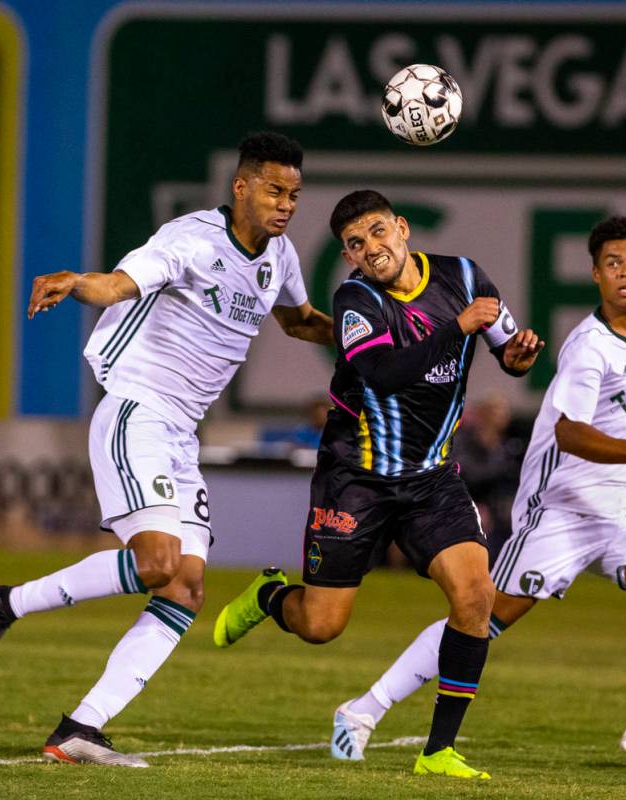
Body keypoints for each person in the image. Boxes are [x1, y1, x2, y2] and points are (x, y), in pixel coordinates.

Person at [0, 132, 333, 767]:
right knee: (160, 562)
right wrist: (76, 281)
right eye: (274, 190)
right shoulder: (190, 240)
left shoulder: (281, 256)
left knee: (186, 588)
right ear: (240, 186)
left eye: (294, 195)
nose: (286, 205)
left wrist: (377, 336)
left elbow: (298, 320)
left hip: (181, 434)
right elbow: (116, 286)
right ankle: (7, 601)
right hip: (138, 412)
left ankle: (80, 727)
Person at [330, 215, 626, 763]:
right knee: (480, 621)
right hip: (561, 511)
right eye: (612, 264)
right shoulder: (589, 346)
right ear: (595, 275)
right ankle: (364, 708)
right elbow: (570, 430)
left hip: (621, 508)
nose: (625, 273)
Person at [212, 190, 544, 780]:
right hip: (355, 480)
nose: (371, 249)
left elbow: (508, 356)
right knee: (321, 626)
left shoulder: (465, 276)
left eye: (377, 232)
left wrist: (519, 356)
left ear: (403, 228)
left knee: (475, 598)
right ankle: (269, 595)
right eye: (356, 245)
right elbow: (385, 374)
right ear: (349, 259)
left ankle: (438, 749)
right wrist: (456, 327)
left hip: (430, 479)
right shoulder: (354, 300)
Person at [453, 391, 525, 560]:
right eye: (494, 411)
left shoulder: (510, 447)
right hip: (466, 501)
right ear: (482, 414)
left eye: (503, 412)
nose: (499, 416)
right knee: (481, 517)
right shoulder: (463, 442)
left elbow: (515, 480)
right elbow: (465, 474)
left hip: (499, 505)